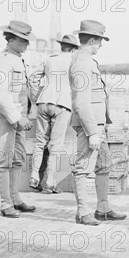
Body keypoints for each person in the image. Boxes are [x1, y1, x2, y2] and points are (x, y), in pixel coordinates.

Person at [70, 20, 126, 225]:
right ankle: (82, 212)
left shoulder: (87, 60)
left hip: (97, 125)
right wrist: (92, 132)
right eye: (100, 40)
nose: (101, 45)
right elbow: (80, 102)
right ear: (92, 40)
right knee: (83, 167)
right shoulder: (83, 63)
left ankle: (103, 207)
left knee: (103, 164)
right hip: (90, 125)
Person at [0, 20, 36, 218]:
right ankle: (6, 204)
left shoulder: (17, 59)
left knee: (17, 159)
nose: (27, 44)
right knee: (4, 161)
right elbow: (0, 95)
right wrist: (17, 117)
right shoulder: (3, 60)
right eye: (23, 40)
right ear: (12, 39)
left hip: (16, 118)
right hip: (3, 116)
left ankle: (15, 198)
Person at [29, 34, 78, 193]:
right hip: (62, 103)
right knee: (56, 145)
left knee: (39, 141)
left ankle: (34, 176)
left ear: (62, 46)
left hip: (44, 101)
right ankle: (50, 181)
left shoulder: (49, 59)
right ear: (72, 49)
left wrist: (37, 97)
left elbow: (32, 78)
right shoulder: (73, 62)